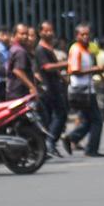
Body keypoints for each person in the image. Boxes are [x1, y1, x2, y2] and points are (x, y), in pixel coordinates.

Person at [63, 24, 104, 157]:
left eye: (87, 34)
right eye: (82, 34)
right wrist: (94, 70)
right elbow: (74, 70)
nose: (86, 37)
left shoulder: (86, 49)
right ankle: (91, 149)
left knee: (88, 120)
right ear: (77, 36)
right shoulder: (76, 49)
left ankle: (72, 138)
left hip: (87, 89)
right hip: (82, 90)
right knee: (97, 120)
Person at [36, 21, 68, 156]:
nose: (49, 33)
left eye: (51, 30)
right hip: (48, 88)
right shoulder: (41, 49)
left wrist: (62, 78)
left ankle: (48, 144)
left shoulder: (48, 48)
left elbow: (53, 68)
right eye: (46, 31)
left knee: (52, 117)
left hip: (54, 87)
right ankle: (49, 142)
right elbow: (47, 67)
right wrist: (66, 63)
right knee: (60, 114)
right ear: (40, 32)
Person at [5, 23, 37, 100]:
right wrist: (31, 87)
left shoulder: (14, 48)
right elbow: (18, 71)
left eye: (26, 34)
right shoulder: (20, 51)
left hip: (13, 91)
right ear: (15, 35)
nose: (25, 36)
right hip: (19, 93)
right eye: (22, 34)